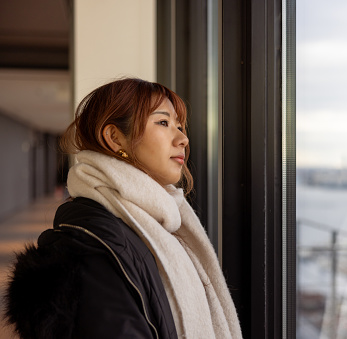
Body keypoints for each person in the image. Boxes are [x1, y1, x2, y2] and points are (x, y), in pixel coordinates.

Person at [4, 78, 242, 339]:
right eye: (163, 122)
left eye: (180, 125)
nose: (183, 138)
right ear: (115, 137)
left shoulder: (161, 223)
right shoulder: (94, 247)